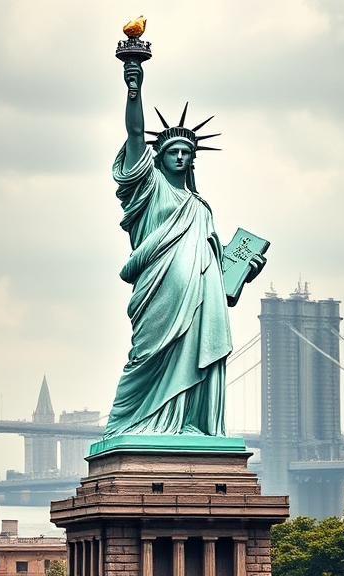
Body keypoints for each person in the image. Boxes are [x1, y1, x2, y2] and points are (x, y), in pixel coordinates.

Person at [105, 60, 266, 437]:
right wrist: (134, 88)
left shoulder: (200, 207)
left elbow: (216, 266)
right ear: (156, 157)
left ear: (193, 159)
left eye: (186, 152)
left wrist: (244, 272)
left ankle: (191, 424)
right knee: (147, 356)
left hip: (204, 294)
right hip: (161, 291)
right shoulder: (146, 189)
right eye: (172, 151)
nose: (180, 156)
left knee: (198, 353)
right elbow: (133, 133)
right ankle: (128, 426)